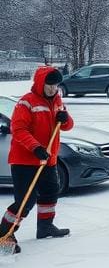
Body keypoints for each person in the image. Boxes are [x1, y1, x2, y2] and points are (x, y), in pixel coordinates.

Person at [0, 66, 74, 254]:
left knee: (50, 192)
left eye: (56, 85)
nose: (53, 89)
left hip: (48, 159)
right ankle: (5, 233)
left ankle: (45, 227)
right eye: (50, 85)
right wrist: (36, 147)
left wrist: (65, 118)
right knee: (25, 200)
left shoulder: (57, 100)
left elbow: (67, 126)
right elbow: (18, 130)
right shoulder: (26, 102)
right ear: (41, 83)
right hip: (25, 161)